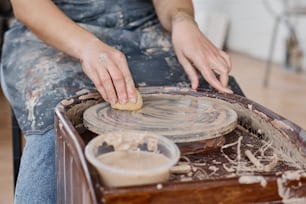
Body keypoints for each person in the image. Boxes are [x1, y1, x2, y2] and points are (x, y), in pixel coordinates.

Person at [1, 0, 239, 203]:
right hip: (53, 30)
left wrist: (183, 20)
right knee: (59, 130)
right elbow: (27, 5)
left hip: (145, 31)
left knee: (228, 116)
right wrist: (88, 47)